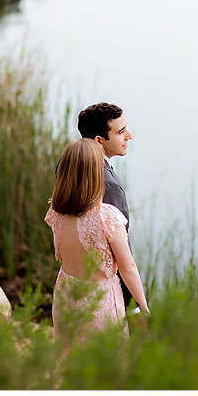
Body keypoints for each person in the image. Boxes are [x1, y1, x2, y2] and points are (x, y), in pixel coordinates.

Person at [44, 138, 149, 337]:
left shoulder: (56, 213)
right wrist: (142, 306)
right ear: (95, 174)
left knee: (69, 353)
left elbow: (60, 255)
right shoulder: (107, 216)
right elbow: (128, 268)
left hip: (67, 293)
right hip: (101, 301)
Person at [78, 102, 135, 307]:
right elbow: (121, 253)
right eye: (121, 132)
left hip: (73, 282)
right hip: (103, 294)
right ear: (100, 141)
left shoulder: (69, 166)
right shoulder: (109, 185)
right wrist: (133, 305)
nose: (129, 136)